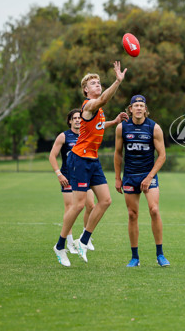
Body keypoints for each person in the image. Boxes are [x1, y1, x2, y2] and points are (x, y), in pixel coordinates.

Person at [53, 61, 129, 267]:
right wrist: (118, 81)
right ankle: (60, 245)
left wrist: (114, 122)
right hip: (78, 160)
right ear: (86, 90)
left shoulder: (97, 110)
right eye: (93, 83)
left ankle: (83, 240)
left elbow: (98, 124)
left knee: (105, 201)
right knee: (78, 205)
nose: (98, 85)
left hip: (92, 160)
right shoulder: (88, 105)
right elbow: (103, 99)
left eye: (99, 82)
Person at [114, 95, 170, 268]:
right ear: (130, 109)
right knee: (132, 215)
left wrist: (149, 177)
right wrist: (117, 177)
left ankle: (160, 254)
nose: (139, 108)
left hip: (148, 174)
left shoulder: (154, 128)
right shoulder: (121, 127)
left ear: (146, 109)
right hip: (130, 175)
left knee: (154, 210)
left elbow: (162, 156)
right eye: (135, 105)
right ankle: (134, 257)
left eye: (141, 105)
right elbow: (118, 153)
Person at [49, 109, 96, 254]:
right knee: (71, 208)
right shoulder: (63, 136)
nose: (77, 120)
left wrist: (114, 122)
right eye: (74, 118)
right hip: (68, 177)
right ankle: (69, 242)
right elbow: (52, 156)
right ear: (70, 121)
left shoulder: (86, 135)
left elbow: (100, 126)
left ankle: (85, 237)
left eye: (79, 118)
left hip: (83, 176)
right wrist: (59, 174)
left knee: (91, 206)